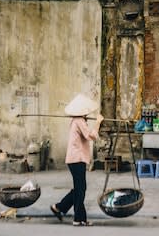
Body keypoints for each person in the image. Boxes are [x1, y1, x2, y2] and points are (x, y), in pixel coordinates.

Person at [50, 93, 104, 227]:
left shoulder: (78, 121)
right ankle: (79, 219)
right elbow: (91, 135)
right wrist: (98, 122)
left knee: (80, 188)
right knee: (80, 189)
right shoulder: (79, 121)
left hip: (75, 159)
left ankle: (60, 207)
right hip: (76, 159)